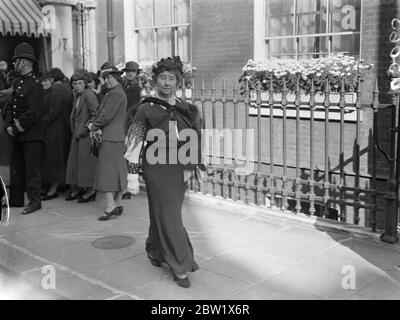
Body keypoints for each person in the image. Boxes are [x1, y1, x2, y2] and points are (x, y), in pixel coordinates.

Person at [124, 56, 203, 288]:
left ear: (178, 82)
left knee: (163, 212)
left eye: (172, 78)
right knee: (170, 216)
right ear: (155, 80)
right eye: (162, 78)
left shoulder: (186, 109)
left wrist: (189, 167)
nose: (167, 82)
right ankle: (180, 265)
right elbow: (134, 141)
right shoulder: (145, 108)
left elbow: (194, 139)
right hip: (156, 168)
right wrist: (131, 174)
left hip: (178, 169)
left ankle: (155, 250)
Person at [4, 43, 45, 214]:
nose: (14, 64)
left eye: (16, 61)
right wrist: (9, 125)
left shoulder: (36, 84)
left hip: (31, 135)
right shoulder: (19, 81)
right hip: (18, 134)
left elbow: (33, 113)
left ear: (25, 62)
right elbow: (12, 107)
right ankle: (16, 199)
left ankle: (35, 202)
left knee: (32, 170)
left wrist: (15, 128)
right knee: (17, 168)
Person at [88, 65, 128, 221]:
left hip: (110, 137)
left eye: (110, 77)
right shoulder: (117, 93)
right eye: (106, 77)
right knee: (117, 171)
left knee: (107, 173)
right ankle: (117, 204)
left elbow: (105, 115)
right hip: (116, 137)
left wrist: (94, 126)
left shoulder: (115, 94)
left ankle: (111, 206)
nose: (107, 80)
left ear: (117, 78)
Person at [40, 68, 73, 200]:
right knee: (60, 157)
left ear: (52, 79)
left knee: (53, 159)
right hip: (65, 127)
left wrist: (40, 124)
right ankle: (60, 185)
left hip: (53, 128)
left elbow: (53, 112)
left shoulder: (55, 90)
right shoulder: (67, 89)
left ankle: (53, 189)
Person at [65, 71, 98, 202]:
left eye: (79, 83)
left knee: (86, 164)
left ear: (85, 84)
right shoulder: (78, 96)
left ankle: (90, 191)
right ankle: (80, 188)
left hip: (85, 135)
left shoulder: (89, 95)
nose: (77, 86)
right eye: (74, 83)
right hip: (77, 135)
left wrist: (84, 128)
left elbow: (95, 115)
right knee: (77, 164)